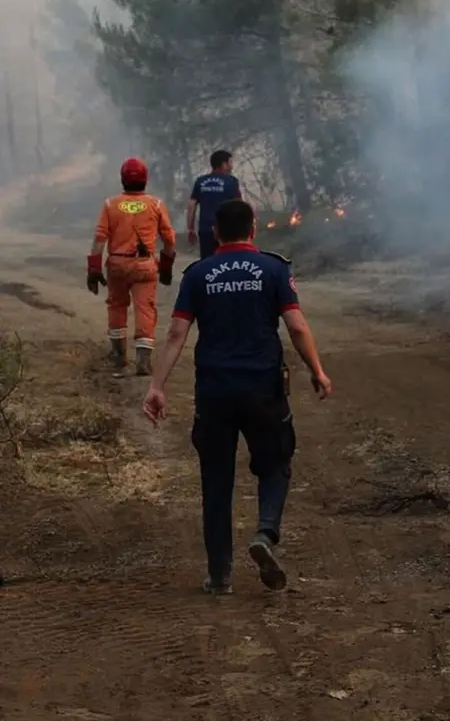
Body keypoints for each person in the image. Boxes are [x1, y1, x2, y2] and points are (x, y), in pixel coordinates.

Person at [142, 199, 332, 596]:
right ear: (254, 228)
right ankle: (264, 533)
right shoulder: (274, 268)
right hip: (263, 388)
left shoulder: (198, 274)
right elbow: (296, 326)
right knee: (276, 462)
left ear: (216, 233)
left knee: (216, 481)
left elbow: (177, 335)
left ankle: (220, 576)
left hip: (214, 392)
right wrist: (316, 370)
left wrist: (157, 386)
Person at [87, 157, 177, 375]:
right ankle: (143, 361)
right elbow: (169, 240)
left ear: (122, 179)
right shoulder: (155, 204)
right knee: (145, 308)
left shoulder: (111, 204)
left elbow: (100, 239)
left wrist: (94, 269)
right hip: (145, 266)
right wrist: (165, 267)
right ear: (145, 179)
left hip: (117, 265)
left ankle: (119, 358)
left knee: (116, 306)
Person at [187, 150, 241, 259]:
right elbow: (239, 206)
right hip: (227, 232)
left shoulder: (200, 181)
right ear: (224, 164)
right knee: (226, 261)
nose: (232, 167)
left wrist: (191, 229)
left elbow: (191, 205)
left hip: (205, 230)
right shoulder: (232, 181)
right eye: (230, 163)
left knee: (207, 261)